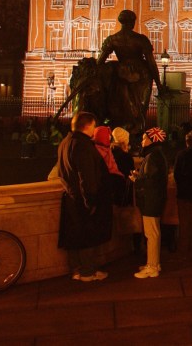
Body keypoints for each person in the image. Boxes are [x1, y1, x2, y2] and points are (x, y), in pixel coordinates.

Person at [57, 112, 113, 282]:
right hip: (83, 200)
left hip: (71, 197)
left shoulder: (65, 143)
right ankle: (88, 272)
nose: (94, 129)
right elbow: (87, 176)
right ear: (87, 126)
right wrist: (91, 201)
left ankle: (75, 270)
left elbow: (62, 173)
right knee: (87, 236)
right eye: (94, 126)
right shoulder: (83, 145)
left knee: (73, 236)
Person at [96, 9, 167, 134]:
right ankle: (138, 126)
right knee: (140, 106)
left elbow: (100, 62)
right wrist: (159, 84)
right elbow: (151, 63)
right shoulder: (140, 39)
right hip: (141, 75)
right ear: (132, 22)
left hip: (121, 73)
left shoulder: (112, 39)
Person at [133, 127, 168, 278]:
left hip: (150, 200)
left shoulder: (153, 156)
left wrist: (136, 180)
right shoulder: (157, 155)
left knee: (151, 234)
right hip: (155, 199)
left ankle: (152, 267)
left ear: (152, 139)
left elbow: (151, 181)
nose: (142, 141)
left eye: (144, 138)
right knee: (154, 233)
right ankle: (154, 262)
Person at [110, 127, 136, 206]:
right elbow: (130, 173)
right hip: (121, 189)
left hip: (110, 189)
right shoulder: (125, 156)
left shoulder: (109, 152)